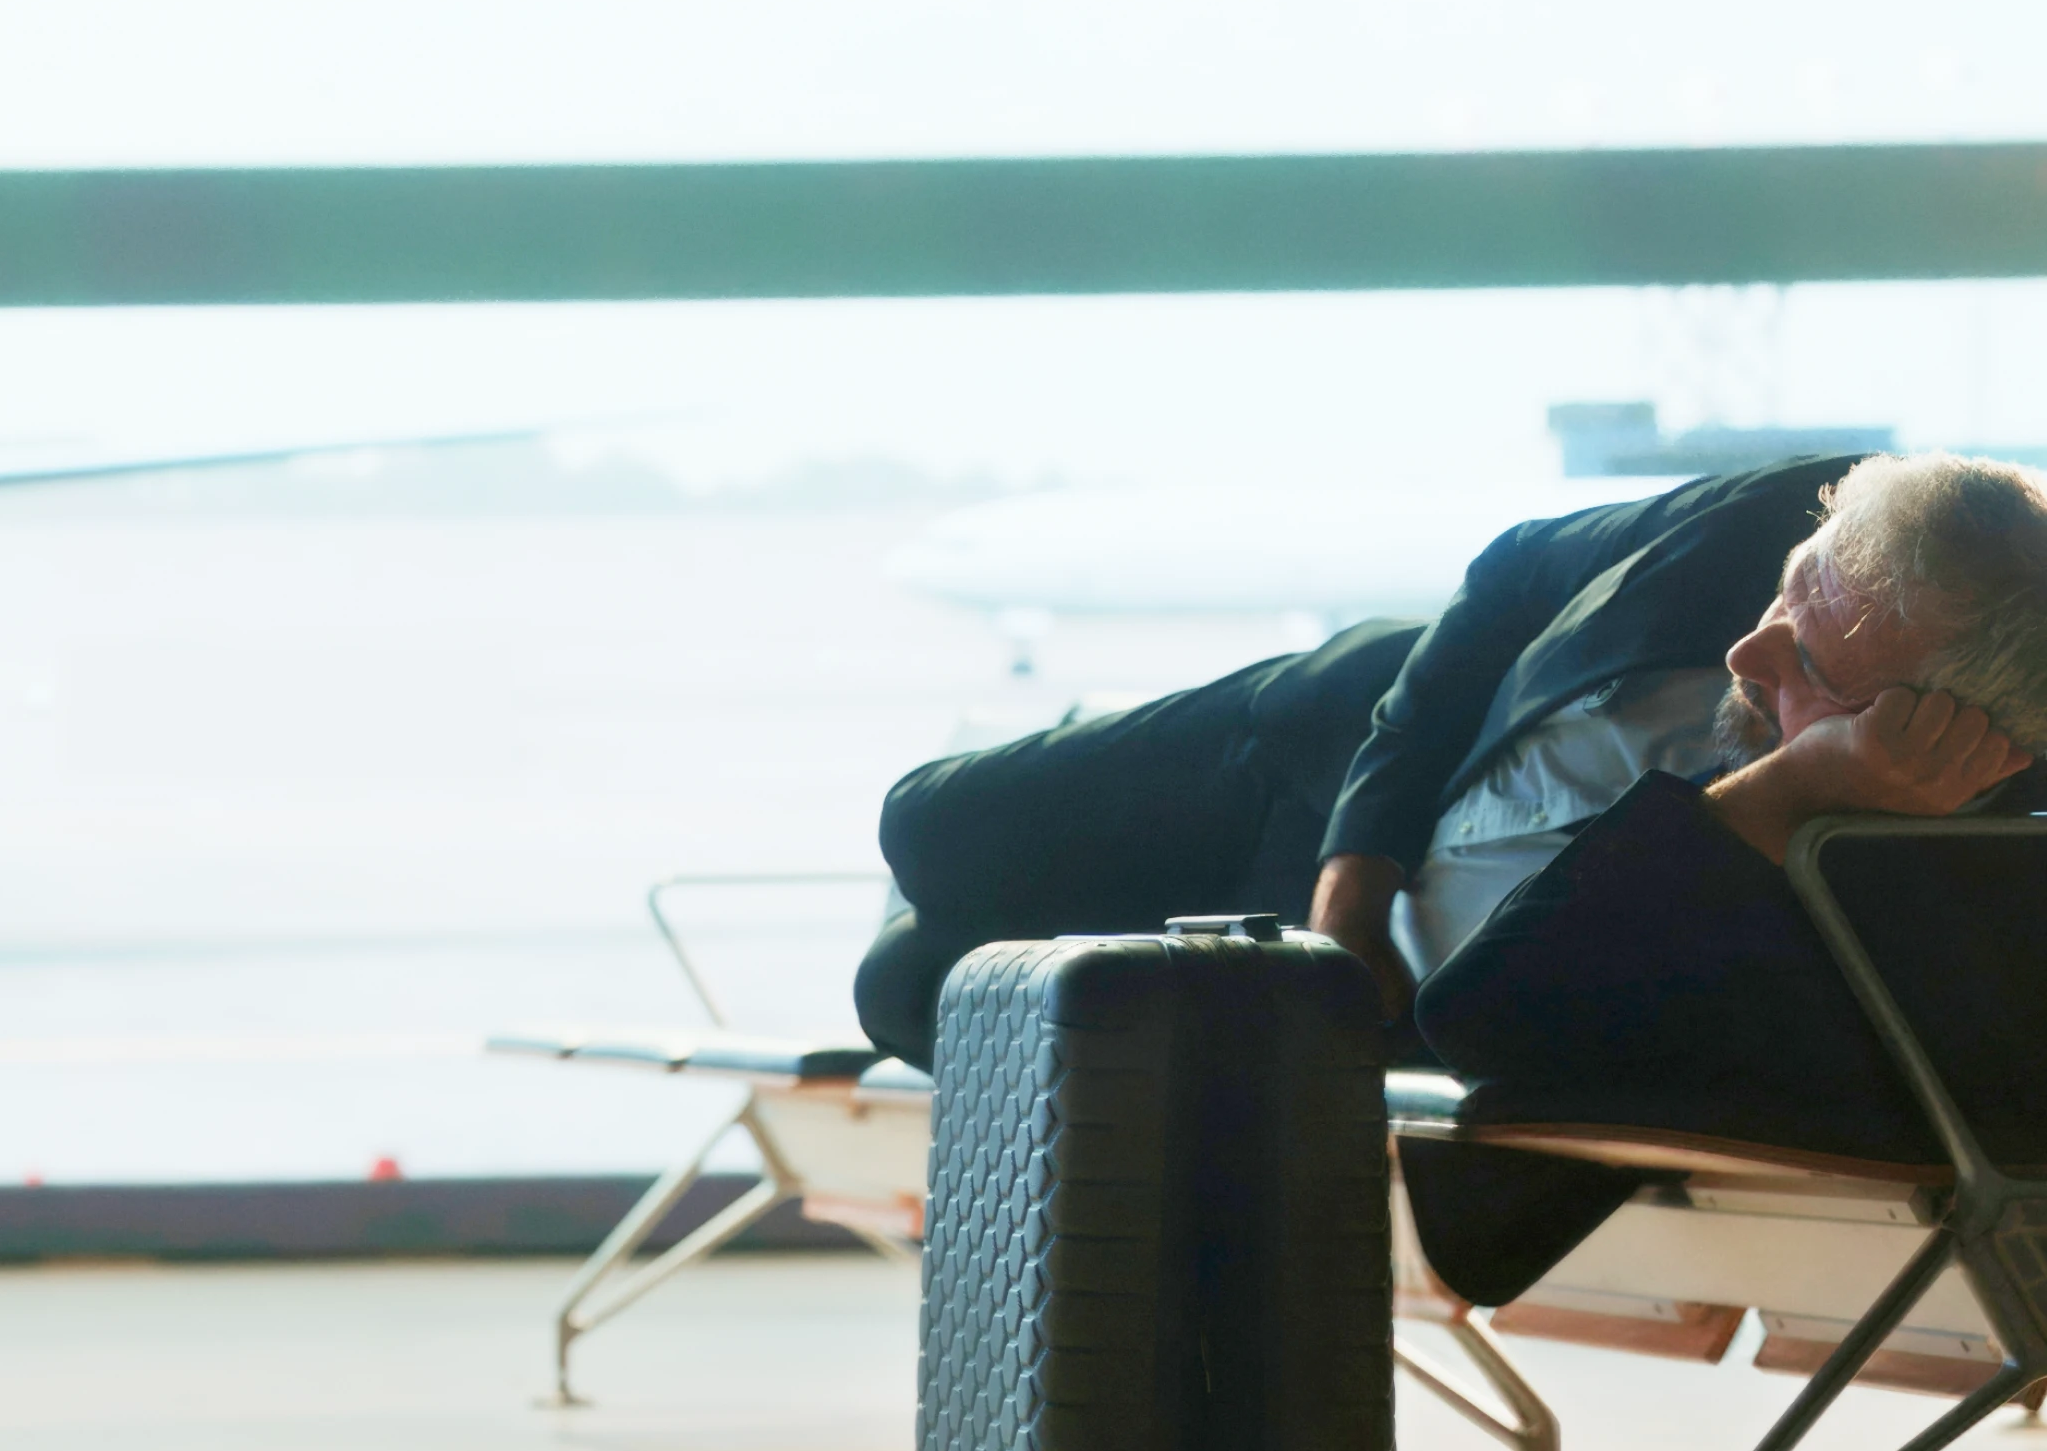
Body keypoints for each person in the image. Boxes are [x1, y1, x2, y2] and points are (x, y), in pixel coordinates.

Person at [854, 452, 2047, 1073]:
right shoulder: (1790, 512)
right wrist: (1352, 881)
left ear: (1966, 735)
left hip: (1365, 1002)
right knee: (933, 833)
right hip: (1339, 778)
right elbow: (1515, 569)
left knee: (911, 992)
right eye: (1791, 597)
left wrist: (1793, 791)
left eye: (1815, 670)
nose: (1750, 647)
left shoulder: (1950, 824)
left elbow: (1530, 1004)